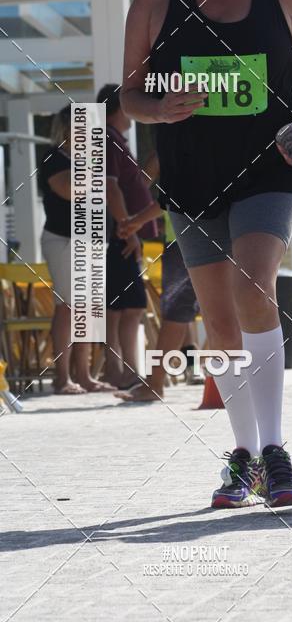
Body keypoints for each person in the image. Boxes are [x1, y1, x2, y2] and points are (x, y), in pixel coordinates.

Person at [119, 0, 292, 508]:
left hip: (271, 165)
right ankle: (242, 455)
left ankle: (275, 449)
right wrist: (156, 109)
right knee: (218, 320)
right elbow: (128, 92)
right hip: (191, 177)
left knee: (252, 282)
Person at [114, 151, 202, 402]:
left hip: (184, 242)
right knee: (187, 315)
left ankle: (155, 383)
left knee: (176, 313)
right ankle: (198, 373)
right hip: (199, 237)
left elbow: (170, 197)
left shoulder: (180, 150)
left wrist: (134, 221)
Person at [39, 105, 112, 394]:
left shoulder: (91, 160)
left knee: (89, 309)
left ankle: (84, 375)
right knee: (68, 307)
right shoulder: (53, 158)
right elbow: (68, 190)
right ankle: (62, 377)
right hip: (63, 239)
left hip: (93, 239)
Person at [99, 84, 159, 390]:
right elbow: (111, 188)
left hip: (121, 231)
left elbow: (135, 183)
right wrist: (128, 228)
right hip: (118, 232)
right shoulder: (108, 138)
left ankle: (121, 368)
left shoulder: (117, 140)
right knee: (127, 305)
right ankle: (121, 368)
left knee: (123, 305)